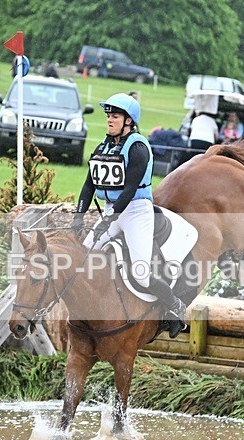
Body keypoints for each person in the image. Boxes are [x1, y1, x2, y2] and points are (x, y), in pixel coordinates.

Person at [71, 93, 186, 338]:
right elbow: (89, 184)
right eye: (108, 116)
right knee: (85, 256)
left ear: (129, 121)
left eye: (115, 116)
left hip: (135, 212)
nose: (109, 120)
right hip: (114, 210)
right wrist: (78, 216)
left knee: (141, 273)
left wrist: (108, 221)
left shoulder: (138, 147)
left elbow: (130, 189)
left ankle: (175, 308)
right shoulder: (104, 146)